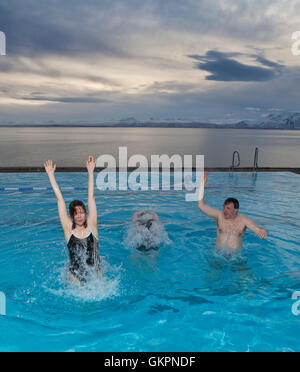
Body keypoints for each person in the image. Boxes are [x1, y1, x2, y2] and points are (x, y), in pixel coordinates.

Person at [44, 155, 101, 284]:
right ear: (72, 216)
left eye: (81, 212)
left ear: (86, 213)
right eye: (76, 214)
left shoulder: (92, 225)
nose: (79, 216)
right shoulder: (68, 229)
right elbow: (60, 200)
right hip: (75, 276)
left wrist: (91, 172)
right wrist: (51, 175)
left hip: (96, 274)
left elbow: (91, 196)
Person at [198, 172, 268, 251]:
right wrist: (202, 183)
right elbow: (201, 205)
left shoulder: (244, 220)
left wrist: (263, 231)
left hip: (236, 257)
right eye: (224, 207)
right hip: (219, 255)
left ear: (235, 210)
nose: (224, 210)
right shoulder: (219, 215)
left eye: (228, 208)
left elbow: (258, 230)